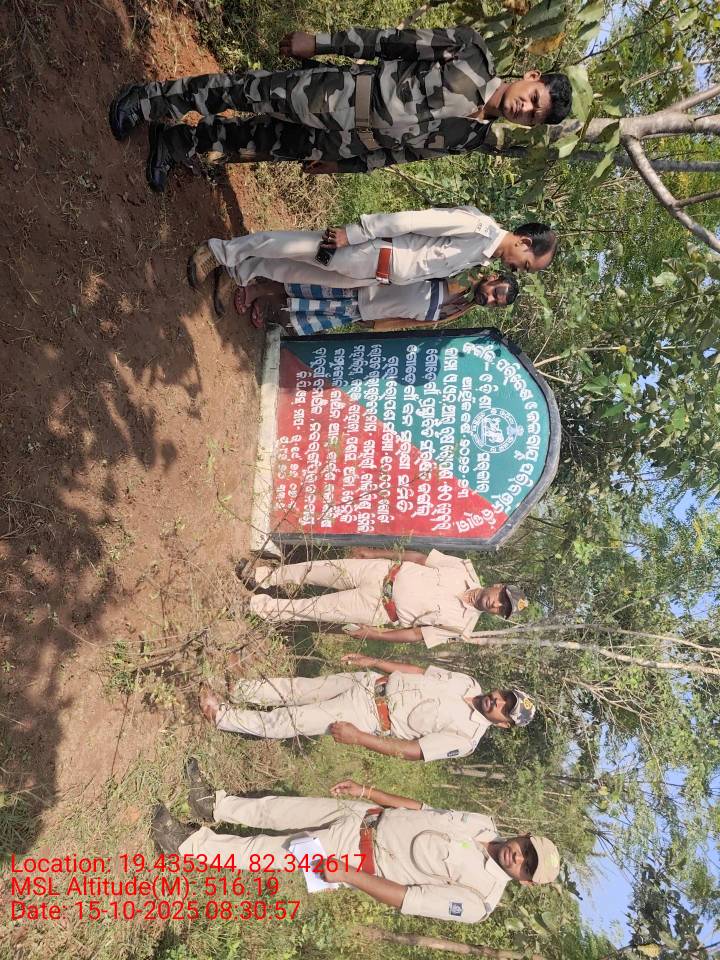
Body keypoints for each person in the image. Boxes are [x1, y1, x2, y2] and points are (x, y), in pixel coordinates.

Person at [107, 27, 572, 191]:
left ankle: (176, 143)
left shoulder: (473, 136)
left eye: (533, 116)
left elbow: (404, 154)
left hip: (345, 141)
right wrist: (322, 43)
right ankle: (147, 101)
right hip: (339, 93)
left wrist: (345, 165)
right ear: (530, 76)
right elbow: (392, 41)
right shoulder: (472, 53)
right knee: (244, 92)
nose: (525, 109)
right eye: (534, 99)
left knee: (254, 140)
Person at [152, 764, 561, 923]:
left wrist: (347, 874)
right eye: (527, 850)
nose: (519, 857)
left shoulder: (479, 902)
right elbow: (424, 809)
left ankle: (185, 845)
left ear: (525, 881)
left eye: (527, 866)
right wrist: (369, 792)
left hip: (354, 856)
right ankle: (213, 804)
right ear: (525, 836)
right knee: (277, 809)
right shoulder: (484, 824)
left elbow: (407, 898)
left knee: (266, 852)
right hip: (364, 815)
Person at [186, 209, 557, 318]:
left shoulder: (480, 255)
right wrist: (355, 233)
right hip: (367, 251)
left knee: (291, 270)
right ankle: (219, 251)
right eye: (525, 265)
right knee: (293, 246)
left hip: (370, 274)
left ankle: (240, 270)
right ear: (524, 242)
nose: (517, 270)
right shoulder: (477, 228)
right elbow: (411, 221)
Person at [198, 654, 536, 760]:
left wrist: (359, 737)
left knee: (292, 720)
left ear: (503, 723)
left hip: (367, 716)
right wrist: (373, 661)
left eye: (505, 709)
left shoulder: (466, 738)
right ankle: (238, 689)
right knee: (299, 688)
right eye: (505, 696)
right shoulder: (469, 683)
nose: (499, 702)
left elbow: (411, 751)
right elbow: (418, 671)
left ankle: (222, 716)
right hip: (370, 682)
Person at [234, 547, 528, 648]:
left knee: (314, 608)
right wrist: (375, 553)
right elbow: (420, 558)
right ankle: (261, 576)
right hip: (381, 571)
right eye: (501, 598)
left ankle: (257, 607)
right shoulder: (463, 567)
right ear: (498, 585)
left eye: (502, 609)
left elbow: (416, 635)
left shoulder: (462, 627)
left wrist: (374, 634)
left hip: (379, 609)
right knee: (316, 569)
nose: (496, 604)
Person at [229, 271, 519, 331]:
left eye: (496, 303)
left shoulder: (460, 307)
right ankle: (257, 289)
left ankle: (266, 305)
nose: (490, 299)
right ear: (492, 277)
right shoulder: (459, 274)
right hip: (364, 286)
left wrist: (378, 324)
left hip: (365, 309)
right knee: (307, 285)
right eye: (495, 292)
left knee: (307, 306)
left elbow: (411, 321)